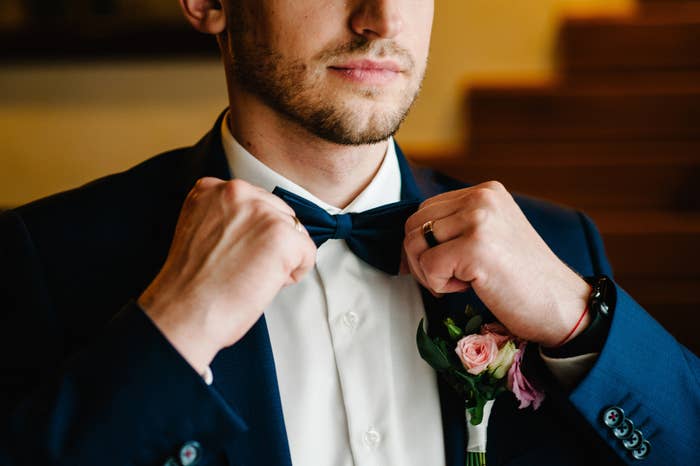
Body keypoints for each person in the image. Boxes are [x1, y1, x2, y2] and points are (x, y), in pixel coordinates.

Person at [0, 1, 697, 465]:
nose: (382, 17)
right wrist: (170, 333)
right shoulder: (45, 258)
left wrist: (582, 324)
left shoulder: (561, 248)